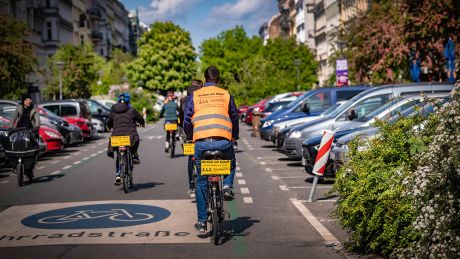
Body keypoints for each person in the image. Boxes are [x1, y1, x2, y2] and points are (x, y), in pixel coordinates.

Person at [184, 66, 239, 233]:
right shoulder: (226, 94)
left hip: (201, 142)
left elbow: (187, 119)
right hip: (223, 140)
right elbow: (234, 117)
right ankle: (227, 186)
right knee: (231, 162)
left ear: (205, 78)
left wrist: (189, 135)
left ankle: (201, 222)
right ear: (219, 79)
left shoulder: (195, 95)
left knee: (201, 181)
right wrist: (234, 136)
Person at [107, 92, 145, 185]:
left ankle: (117, 174)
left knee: (118, 154)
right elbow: (139, 118)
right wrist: (142, 123)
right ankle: (135, 156)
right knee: (136, 141)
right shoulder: (131, 110)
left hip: (116, 137)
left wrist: (109, 126)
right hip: (130, 136)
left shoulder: (113, 109)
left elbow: (109, 121)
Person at [179, 79, 203, 196]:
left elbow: (181, 117)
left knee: (191, 158)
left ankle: (191, 186)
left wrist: (182, 131)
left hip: (187, 133)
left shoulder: (183, 100)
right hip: (202, 132)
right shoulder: (201, 97)